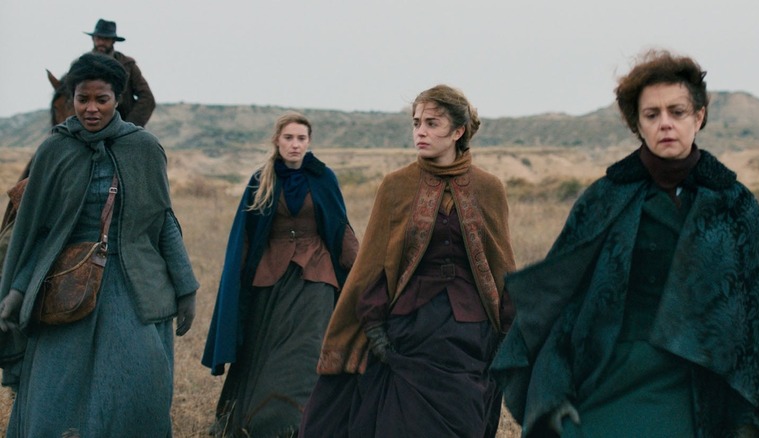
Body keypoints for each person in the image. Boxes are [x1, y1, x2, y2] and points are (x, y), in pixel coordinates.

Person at [491, 50, 759, 437]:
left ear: (699, 116)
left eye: (677, 112)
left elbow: (753, 324)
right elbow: (562, 305)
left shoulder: (734, 203)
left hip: (695, 385)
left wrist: (748, 421)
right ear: (637, 124)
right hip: (608, 376)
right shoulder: (605, 197)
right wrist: (554, 394)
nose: (665, 124)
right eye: (651, 114)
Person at [299, 84, 516, 437]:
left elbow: (502, 264)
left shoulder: (488, 188)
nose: (421, 132)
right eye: (417, 123)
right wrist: (373, 325)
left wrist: (509, 329)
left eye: (432, 123)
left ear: (458, 131)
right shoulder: (397, 185)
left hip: (469, 329)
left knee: (464, 420)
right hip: (410, 326)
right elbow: (373, 262)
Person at [0, 53, 199, 436]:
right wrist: (18, 288)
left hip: (133, 285)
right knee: (56, 396)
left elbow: (163, 222)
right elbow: (37, 233)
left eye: (101, 100)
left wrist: (186, 287)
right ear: (71, 99)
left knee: (136, 388)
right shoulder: (54, 150)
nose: (91, 109)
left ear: (118, 99)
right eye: (82, 99)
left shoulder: (143, 148)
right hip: (65, 287)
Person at [201, 112, 360, 437]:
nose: (295, 144)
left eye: (301, 138)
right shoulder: (262, 179)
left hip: (316, 275)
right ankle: (260, 423)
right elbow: (245, 237)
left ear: (309, 142)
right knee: (264, 350)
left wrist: (363, 271)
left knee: (307, 348)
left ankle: (302, 424)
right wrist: (238, 282)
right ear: (277, 140)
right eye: (289, 138)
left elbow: (340, 228)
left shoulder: (324, 178)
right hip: (270, 277)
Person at [85, 18, 156, 127]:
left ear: (113, 41)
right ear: (93, 39)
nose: (101, 43)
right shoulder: (82, 65)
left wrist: (129, 126)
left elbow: (147, 98)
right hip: (88, 126)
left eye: (106, 39)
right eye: (99, 38)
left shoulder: (127, 65)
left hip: (121, 124)